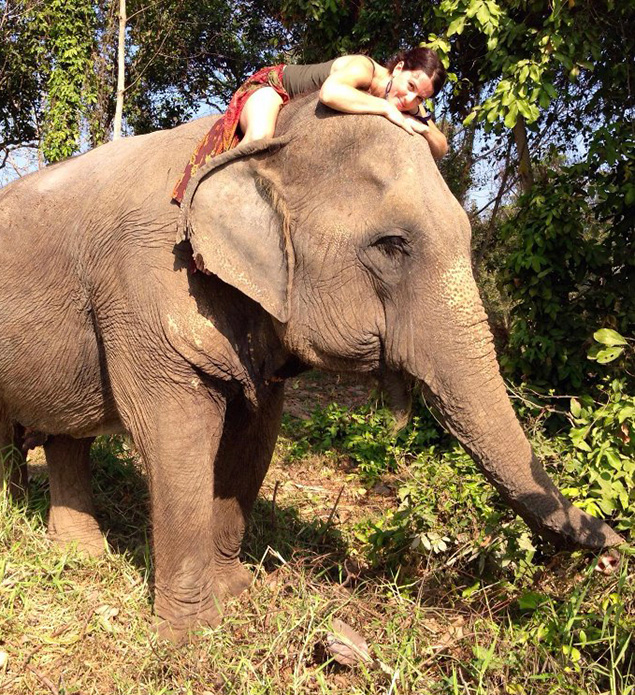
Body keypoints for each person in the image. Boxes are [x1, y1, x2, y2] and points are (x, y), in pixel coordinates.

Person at [172, 48, 448, 204]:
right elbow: (330, 94)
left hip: (300, 123)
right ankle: (206, 193)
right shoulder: (363, 68)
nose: (409, 99)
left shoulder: (409, 103)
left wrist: (425, 129)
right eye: (410, 86)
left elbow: (441, 146)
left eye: (421, 97)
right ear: (398, 68)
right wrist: (387, 109)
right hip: (275, 90)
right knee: (260, 137)